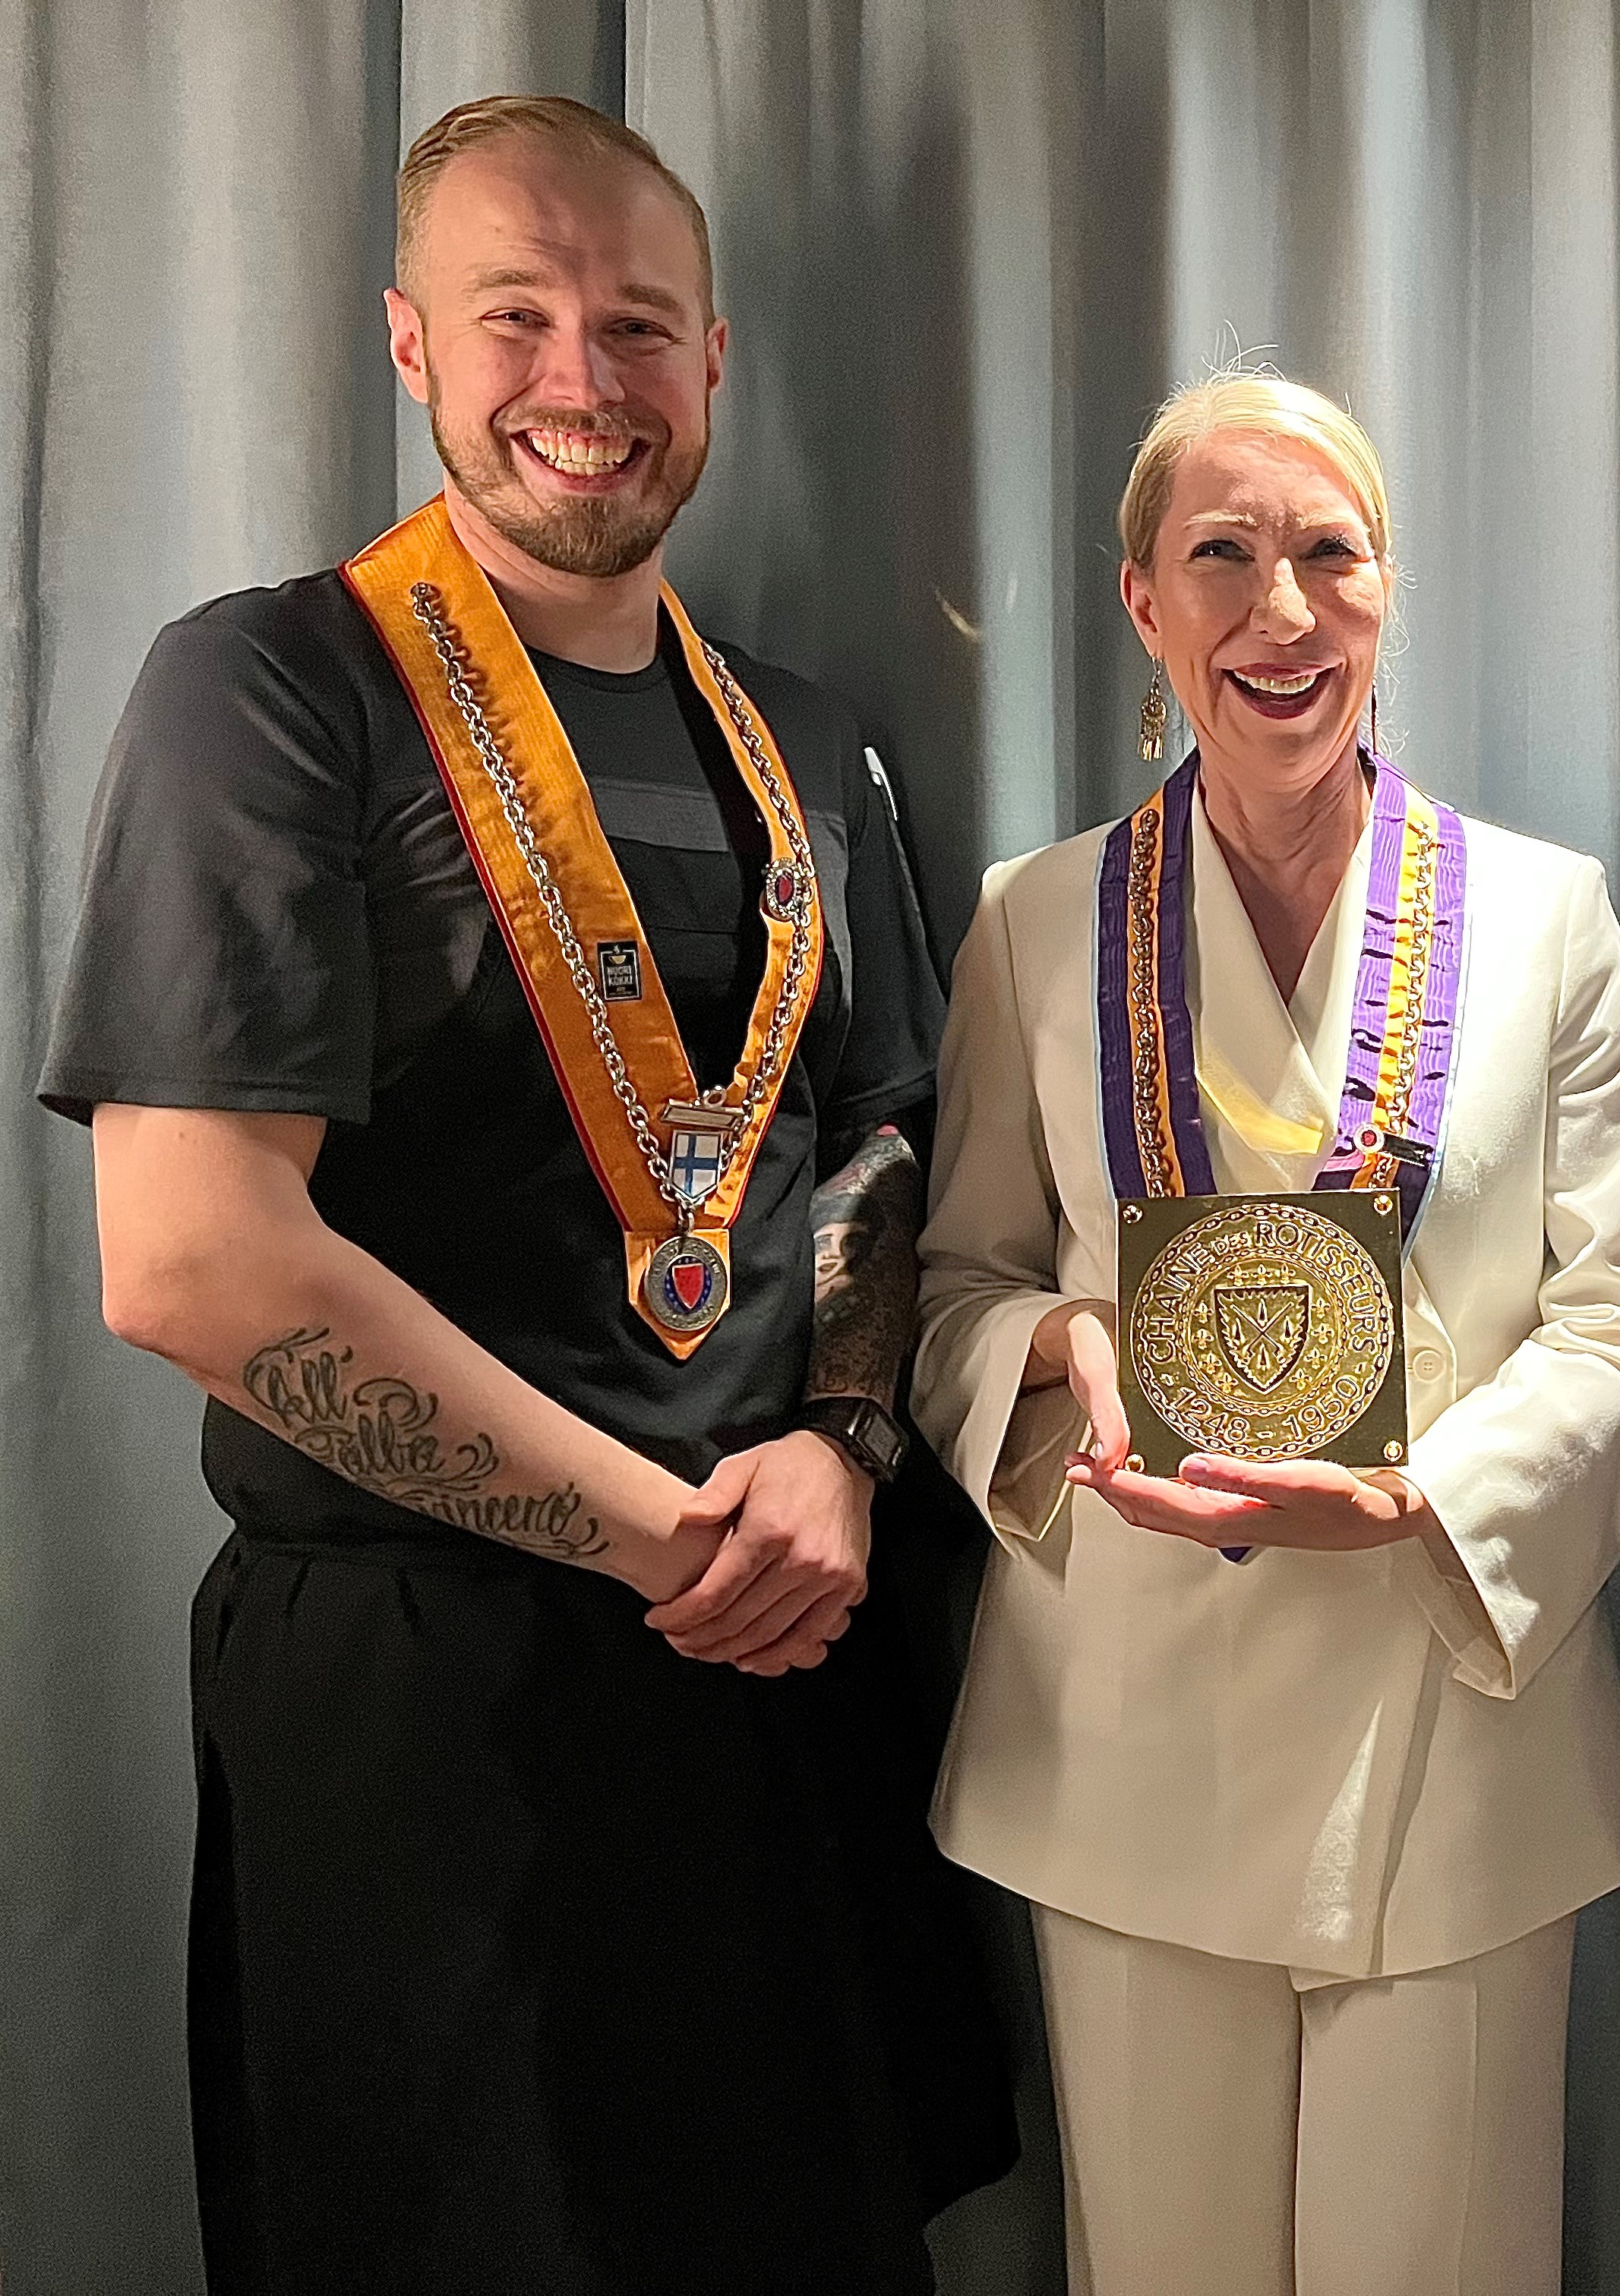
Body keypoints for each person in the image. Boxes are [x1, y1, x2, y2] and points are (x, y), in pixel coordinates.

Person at [38, 96, 1015, 2293]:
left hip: (791, 1665)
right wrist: (666, 1536)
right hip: (429, 1701)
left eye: (639, 324)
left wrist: (845, 1447)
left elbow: (878, 1139)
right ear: (408, 341)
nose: (585, 378)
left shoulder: (807, 739)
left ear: (716, 360)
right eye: (519, 316)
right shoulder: (271, 689)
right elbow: (190, 1263)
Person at [912, 370, 1620, 2296]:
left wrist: (1426, 1504)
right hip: (1127, 1732)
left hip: (1449, 1718)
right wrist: (1060, 1354)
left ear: (1386, 591)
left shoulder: (1544, 919)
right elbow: (956, 1289)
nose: (1283, 610)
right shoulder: (1035, 923)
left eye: (1330, 556)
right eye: (1223, 555)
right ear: (1144, 603)